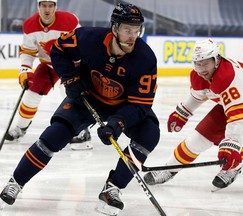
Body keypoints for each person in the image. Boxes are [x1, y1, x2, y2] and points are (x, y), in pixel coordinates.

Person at [0, 2, 160, 215]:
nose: (132, 36)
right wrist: (70, 77)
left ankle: (113, 188)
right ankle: (16, 182)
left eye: (136, 30)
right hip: (87, 97)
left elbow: (140, 104)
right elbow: (58, 49)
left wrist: (118, 123)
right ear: (114, 28)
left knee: (149, 134)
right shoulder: (88, 38)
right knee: (54, 135)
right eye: (127, 30)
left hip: (122, 105)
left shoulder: (145, 58)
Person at [143, 38, 243, 192]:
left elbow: (239, 116)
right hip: (234, 104)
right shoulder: (199, 75)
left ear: (217, 60)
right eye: (198, 63)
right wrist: (182, 113)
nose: (202, 69)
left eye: (205, 63)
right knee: (197, 139)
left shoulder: (228, 76)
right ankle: (169, 169)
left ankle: (233, 167)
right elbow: (198, 95)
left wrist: (231, 143)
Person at [4, 0, 92, 149]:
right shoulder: (30, 25)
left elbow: (83, 41)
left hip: (71, 65)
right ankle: (20, 128)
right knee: (32, 93)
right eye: (43, 5)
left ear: (55, 7)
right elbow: (28, 51)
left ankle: (82, 132)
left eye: (50, 6)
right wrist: (25, 70)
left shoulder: (69, 21)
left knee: (71, 95)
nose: (47, 9)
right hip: (49, 65)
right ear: (38, 7)